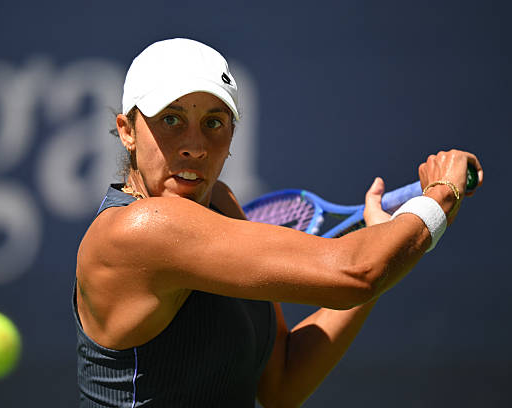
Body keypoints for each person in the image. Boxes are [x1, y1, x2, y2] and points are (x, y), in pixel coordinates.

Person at [73, 38, 483, 408]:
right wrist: (439, 197)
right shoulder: (139, 229)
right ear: (127, 131)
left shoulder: (220, 201)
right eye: (171, 119)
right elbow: (357, 271)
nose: (195, 147)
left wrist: (385, 240)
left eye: (214, 122)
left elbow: (281, 383)